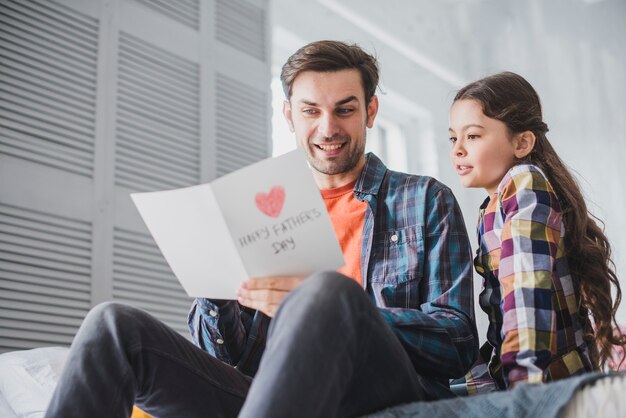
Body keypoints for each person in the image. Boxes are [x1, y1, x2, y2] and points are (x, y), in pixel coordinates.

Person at [44, 40, 477, 418]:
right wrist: (218, 290)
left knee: (326, 294)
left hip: (383, 393)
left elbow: (457, 342)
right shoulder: (262, 210)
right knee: (112, 325)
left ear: (371, 111)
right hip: (274, 394)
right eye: (311, 111)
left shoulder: (425, 200)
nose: (328, 128)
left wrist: (337, 314)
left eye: (344, 110)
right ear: (290, 115)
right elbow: (229, 356)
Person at [447, 71, 626, 395]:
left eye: (472, 136)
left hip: (547, 382)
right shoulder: (492, 205)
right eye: (453, 138)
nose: (458, 149)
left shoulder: (524, 182)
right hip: (516, 374)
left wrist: (524, 388)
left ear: (522, 143)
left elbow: (526, 289)